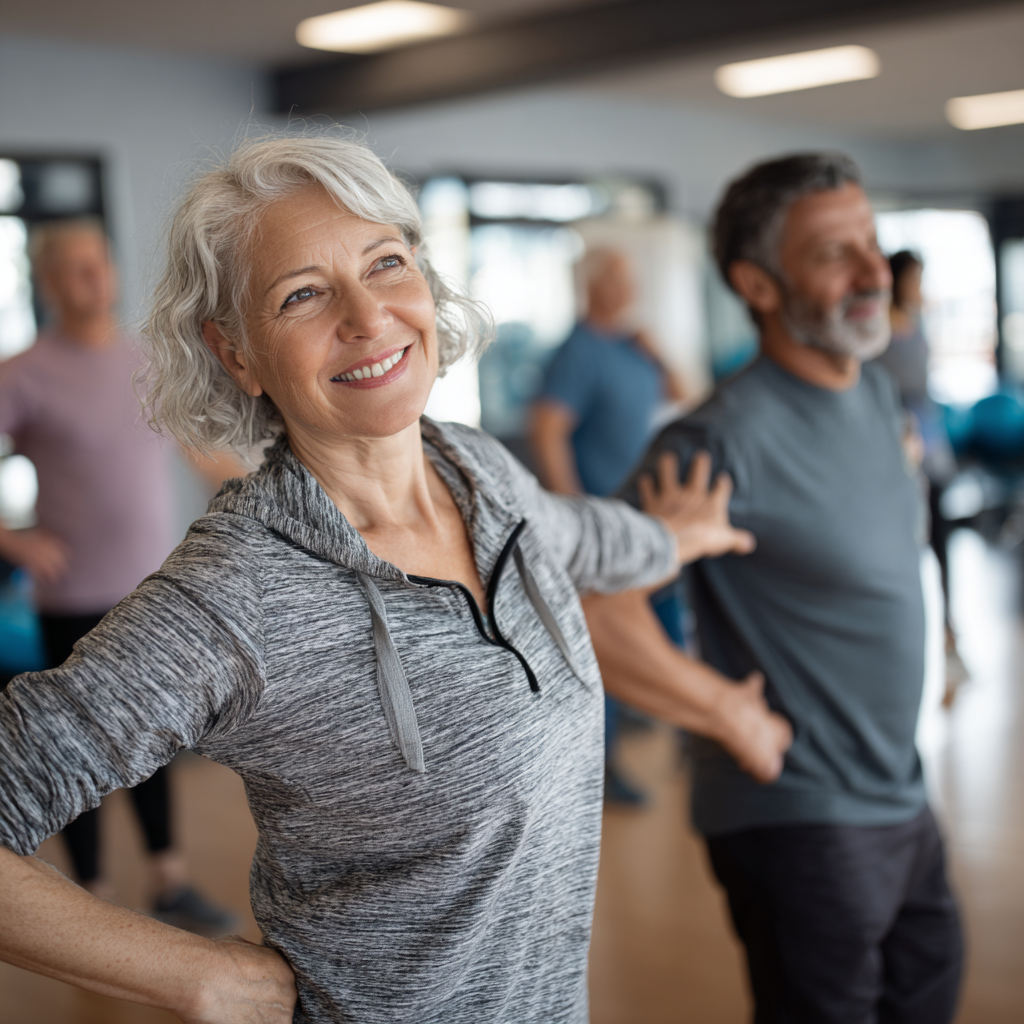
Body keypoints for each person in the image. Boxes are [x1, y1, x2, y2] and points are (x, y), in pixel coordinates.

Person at [0, 133, 783, 1024]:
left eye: (385, 264)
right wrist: (197, 976)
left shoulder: (478, 470)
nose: (368, 317)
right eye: (303, 294)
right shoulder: (238, 594)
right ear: (237, 353)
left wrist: (672, 536)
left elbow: (581, 536)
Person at [584, 154, 963, 1023]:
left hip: (898, 786)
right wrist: (724, 713)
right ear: (756, 282)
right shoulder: (717, 442)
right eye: (835, 253)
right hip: (801, 811)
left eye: (871, 241)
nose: (874, 272)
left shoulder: (870, 393)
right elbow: (595, 609)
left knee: (930, 986)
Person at [0, 219, 236, 934]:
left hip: (152, 592)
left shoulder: (147, 360)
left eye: (98, 262)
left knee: (155, 743)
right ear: (48, 282)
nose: (92, 278)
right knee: (80, 751)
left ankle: (170, 882)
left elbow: (202, 455)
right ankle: (93, 898)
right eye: (73, 268)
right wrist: (14, 542)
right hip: (72, 596)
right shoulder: (23, 374)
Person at [529, 248, 688, 804]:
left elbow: (684, 397)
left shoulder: (631, 346)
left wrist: (659, 354)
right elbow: (547, 429)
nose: (632, 284)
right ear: (592, 286)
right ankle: (604, 765)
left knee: (668, 630)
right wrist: (572, 512)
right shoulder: (578, 353)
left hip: (644, 518)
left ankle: (675, 722)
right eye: (621, 275)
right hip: (601, 525)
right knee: (606, 647)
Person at [873, 250, 966, 703]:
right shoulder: (878, 333)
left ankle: (951, 633)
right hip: (894, 445)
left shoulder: (916, 324)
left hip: (930, 442)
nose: (920, 287)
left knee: (943, 539)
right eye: (916, 278)